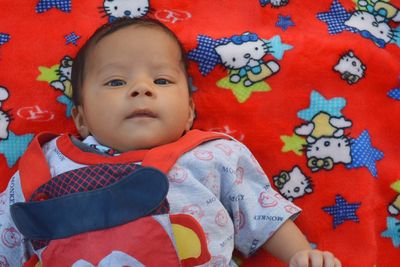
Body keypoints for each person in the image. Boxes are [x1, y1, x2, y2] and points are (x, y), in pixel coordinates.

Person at [0, 18, 341, 267]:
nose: (141, 89)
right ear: (81, 119)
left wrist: (301, 254)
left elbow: (264, 213)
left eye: (161, 80)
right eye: (116, 81)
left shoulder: (214, 155)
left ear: (190, 112)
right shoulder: (48, 165)